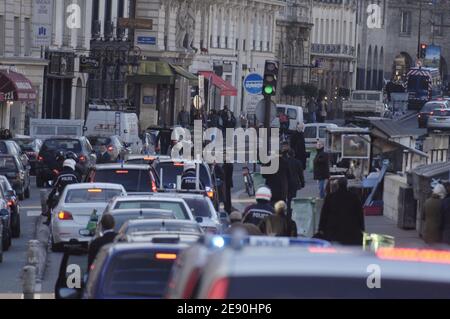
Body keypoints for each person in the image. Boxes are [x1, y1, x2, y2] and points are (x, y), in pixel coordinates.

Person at [317, 177, 364, 245]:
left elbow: (324, 214)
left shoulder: (330, 197)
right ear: (346, 184)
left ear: (338, 185)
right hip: (350, 230)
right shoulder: (354, 197)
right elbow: (360, 213)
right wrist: (361, 227)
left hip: (333, 230)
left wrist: (321, 228)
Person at [44, 159, 79, 225]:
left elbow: (54, 185)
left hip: (62, 194)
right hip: (74, 195)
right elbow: (79, 185)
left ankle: (49, 218)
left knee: (51, 201)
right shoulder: (75, 175)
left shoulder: (60, 175)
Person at [282, 146, 305, 217]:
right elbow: (300, 174)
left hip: (286, 182)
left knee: (285, 197)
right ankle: (290, 211)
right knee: (292, 198)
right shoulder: (298, 162)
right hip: (295, 183)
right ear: (294, 154)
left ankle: (286, 210)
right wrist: (302, 182)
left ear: (288, 154)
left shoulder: (285, 162)